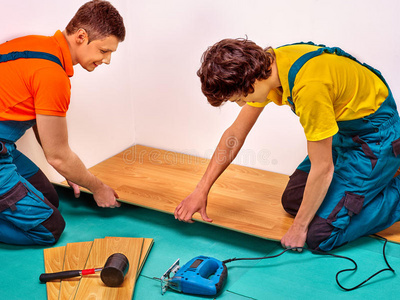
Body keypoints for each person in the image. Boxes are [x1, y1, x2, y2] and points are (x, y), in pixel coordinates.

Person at [174, 38, 400, 252]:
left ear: (250, 83)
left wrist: (299, 228)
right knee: (294, 200)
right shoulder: (269, 65)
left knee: (319, 236)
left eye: (238, 100)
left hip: (376, 139)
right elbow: (235, 134)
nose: (241, 105)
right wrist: (201, 190)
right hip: (343, 132)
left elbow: (323, 169)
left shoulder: (309, 88)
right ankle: (373, 179)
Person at [0, 0, 125, 246]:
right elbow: (58, 155)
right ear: (81, 36)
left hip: (5, 146)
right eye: (103, 51)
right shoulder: (53, 76)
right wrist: (98, 188)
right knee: (50, 228)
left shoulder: (35, 44)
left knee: (50, 198)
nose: (107, 60)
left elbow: (41, 124)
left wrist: (67, 169)